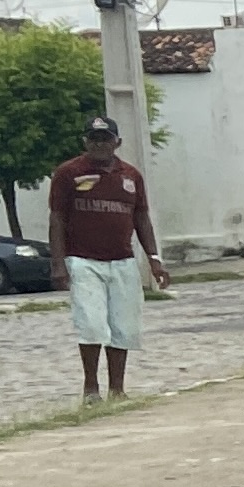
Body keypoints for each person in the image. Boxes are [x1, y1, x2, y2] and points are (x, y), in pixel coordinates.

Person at [52, 114, 164, 397]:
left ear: (117, 142)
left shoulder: (131, 176)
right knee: (90, 323)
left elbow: (141, 217)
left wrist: (154, 258)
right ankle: (91, 387)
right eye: (94, 139)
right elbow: (57, 219)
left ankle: (117, 389)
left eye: (105, 139)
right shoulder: (68, 173)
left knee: (123, 325)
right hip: (83, 260)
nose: (99, 145)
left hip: (122, 260)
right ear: (85, 142)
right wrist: (58, 264)